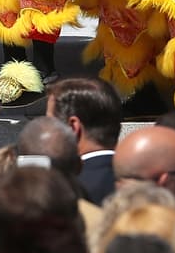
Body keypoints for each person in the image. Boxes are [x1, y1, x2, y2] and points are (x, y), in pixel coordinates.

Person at [48, 78, 123, 206]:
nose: (46, 132)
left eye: (49, 122)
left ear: (73, 127)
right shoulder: (150, 184)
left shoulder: (61, 193)